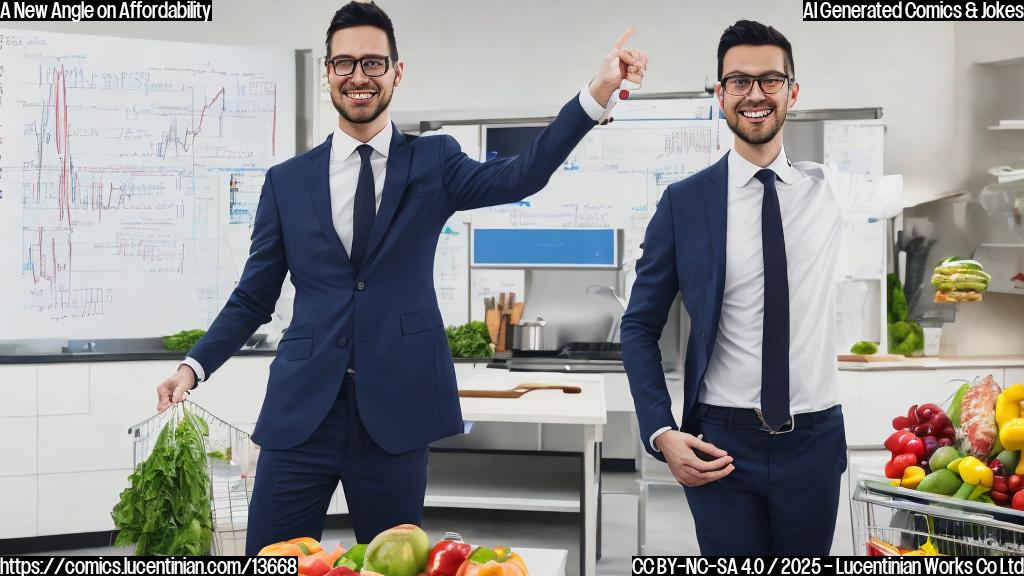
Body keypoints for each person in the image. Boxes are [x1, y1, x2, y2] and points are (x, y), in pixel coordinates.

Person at [154, 1, 647, 554]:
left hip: (395, 414)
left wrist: (595, 94)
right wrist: (193, 366)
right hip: (300, 416)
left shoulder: (434, 162)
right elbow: (253, 295)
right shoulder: (287, 182)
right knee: (273, 561)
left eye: (372, 63)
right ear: (327, 73)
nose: (358, 76)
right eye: (343, 64)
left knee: (394, 565)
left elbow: (521, 176)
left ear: (396, 72)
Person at [621, 20, 900, 555]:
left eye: (771, 80)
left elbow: (908, 192)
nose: (755, 94)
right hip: (720, 438)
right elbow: (638, 326)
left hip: (815, 438)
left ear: (792, 92)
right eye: (738, 81)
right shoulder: (684, 204)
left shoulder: (829, 189)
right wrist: (660, 430)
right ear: (720, 95)